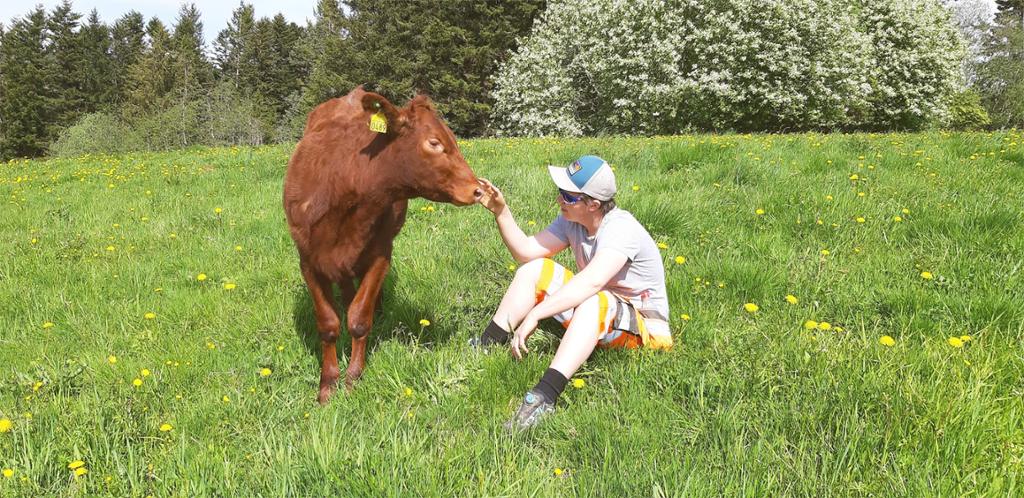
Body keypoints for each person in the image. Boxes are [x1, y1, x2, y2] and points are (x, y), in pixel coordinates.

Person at [474, 155, 673, 430]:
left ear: (593, 204)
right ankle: (487, 344)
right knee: (536, 269)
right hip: (599, 308)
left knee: (594, 300)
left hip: (644, 328)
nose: (559, 201)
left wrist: (536, 314)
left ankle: (544, 397)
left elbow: (591, 282)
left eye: (567, 196)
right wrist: (501, 211)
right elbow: (526, 253)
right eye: (560, 193)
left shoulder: (621, 229)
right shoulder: (573, 222)